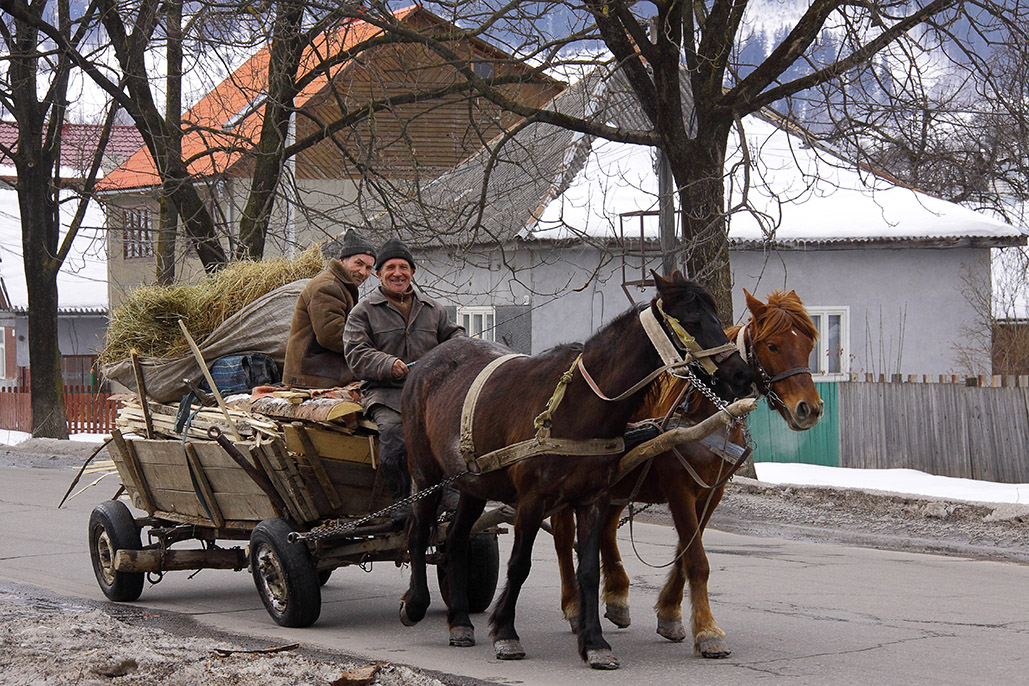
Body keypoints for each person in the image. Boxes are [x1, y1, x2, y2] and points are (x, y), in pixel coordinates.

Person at [343, 237, 464, 521]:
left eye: (403, 267)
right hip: (385, 393)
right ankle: (400, 501)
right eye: (390, 268)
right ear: (378, 274)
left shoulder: (434, 310)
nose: (397, 273)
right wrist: (388, 365)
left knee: (449, 433)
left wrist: (453, 354)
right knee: (395, 433)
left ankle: (451, 495)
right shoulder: (362, 312)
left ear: (412, 272)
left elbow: (456, 338)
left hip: (430, 393)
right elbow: (356, 353)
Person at [282, 229, 377, 389]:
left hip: (320, 371)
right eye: (358, 264)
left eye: (368, 268)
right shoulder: (329, 287)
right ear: (342, 261)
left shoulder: (342, 286)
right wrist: (369, 351)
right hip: (314, 376)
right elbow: (331, 336)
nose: (363, 272)